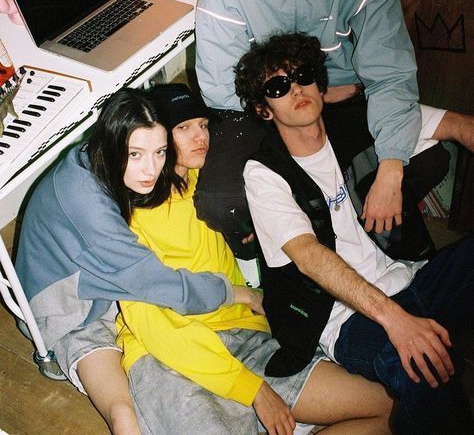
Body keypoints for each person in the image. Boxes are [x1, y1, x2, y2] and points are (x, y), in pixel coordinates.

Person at [194, 0, 473, 259]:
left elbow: (391, 68)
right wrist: (311, 96)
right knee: (222, 203)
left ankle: (363, 234)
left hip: (341, 101)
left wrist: (392, 168)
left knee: (421, 165)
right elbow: (220, 87)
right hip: (263, 109)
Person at [116, 83, 393, 435]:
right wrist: (253, 390)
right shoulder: (127, 221)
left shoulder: (216, 181)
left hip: (246, 334)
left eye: (203, 125)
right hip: (168, 356)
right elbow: (157, 329)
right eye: (183, 128)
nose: (200, 137)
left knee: (388, 408)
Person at [235, 32, 474, 435]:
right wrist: (397, 320)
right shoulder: (264, 173)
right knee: (421, 368)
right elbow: (308, 256)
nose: (296, 88)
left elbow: (458, 124)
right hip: (345, 317)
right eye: (278, 85)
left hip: (411, 275)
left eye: (303, 74)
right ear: (263, 108)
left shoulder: (360, 119)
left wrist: (392, 169)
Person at [15, 88, 260, 435]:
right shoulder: (89, 206)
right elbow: (160, 284)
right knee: (125, 416)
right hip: (71, 307)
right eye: (136, 155)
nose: (151, 169)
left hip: (99, 278)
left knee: (168, 349)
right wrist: (239, 294)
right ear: (115, 145)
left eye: (159, 152)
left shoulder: (98, 156)